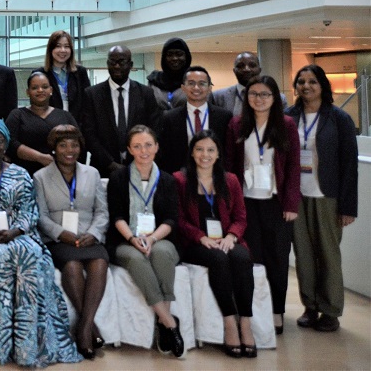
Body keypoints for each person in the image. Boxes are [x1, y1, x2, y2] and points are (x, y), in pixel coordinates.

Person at [0, 118, 81, 366]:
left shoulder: (20, 173)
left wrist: (15, 231)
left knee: (29, 256)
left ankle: (28, 346)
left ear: (6, 144)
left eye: (0, 140)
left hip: (20, 235)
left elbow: (30, 210)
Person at [224, 76, 300, 335]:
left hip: (276, 203)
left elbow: (293, 167)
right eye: (253, 94)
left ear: (274, 97)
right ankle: (253, 311)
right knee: (252, 259)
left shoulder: (286, 125)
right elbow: (229, 166)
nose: (259, 99)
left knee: (277, 259)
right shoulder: (237, 124)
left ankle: (277, 310)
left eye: (265, 94)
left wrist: (291, 203)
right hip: (246, 202)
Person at [286, 64, 358, 333]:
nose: (306, 86)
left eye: (312, 81)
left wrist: (348, 207)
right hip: (296, 195)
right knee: (303, 254)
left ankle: (330, 310)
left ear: (322, 85)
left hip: (327, 196)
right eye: (301, 81)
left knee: (328, 254)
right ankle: (310, 306)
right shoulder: (288, 116)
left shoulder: (339, 118)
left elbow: (349, 165)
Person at [174, 130, 255, 358]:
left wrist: (231, 236)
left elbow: (240, 217)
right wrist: (201, 237)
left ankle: (245, 322)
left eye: (211, 150)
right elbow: (178, 219)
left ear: (218, 154)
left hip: (226, 239)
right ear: (192, 153)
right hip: (195, 243)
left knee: (241, 257)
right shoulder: (180, 180)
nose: (205, 155)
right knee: (219, 259)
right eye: (199, 149)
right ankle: (229, 322)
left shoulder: (231, 180)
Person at [106, 125, 185, 358]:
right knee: (136, 258)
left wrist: (151, 238)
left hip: (160, 237)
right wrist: (133, 239)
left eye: (148, 145)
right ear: (129, 149)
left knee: (162, 253)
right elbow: (116, 216)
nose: (144, 151)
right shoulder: (118, 178)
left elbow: (171, 218)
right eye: (137, 146)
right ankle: (170, 322)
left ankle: (162, 322)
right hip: (124, 239)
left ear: (157, 147)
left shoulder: (168, 180)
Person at [35, 124, 109, 359]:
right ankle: (90, 329)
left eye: (74, 145)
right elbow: (40, 216)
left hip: (88, 237)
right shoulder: (40, 177)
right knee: (73, 266)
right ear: (54, 148)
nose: (70, 150)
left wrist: (94, 233)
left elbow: (102, 211)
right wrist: (60, 233)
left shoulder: (92, 173)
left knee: (99, 262)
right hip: (58, 240)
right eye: (63, 145)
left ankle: (84, 328)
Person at [81, 45, 161, 178]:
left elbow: (154, 130)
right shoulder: (92, 94)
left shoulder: (145, 93)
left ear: (130, 64)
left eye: (121, 62)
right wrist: (110, 163)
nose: (117, 66)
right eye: (112, 62)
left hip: (140, 166)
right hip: (103, 168)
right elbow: (89, 134)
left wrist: (138, 160)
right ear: (107, 64)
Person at [156, 66, 232, 173]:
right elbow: (165, 153)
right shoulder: (169, 118)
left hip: (214, 176)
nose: (196, 87)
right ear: (183, 88)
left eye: (202, 83)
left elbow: (228, 152)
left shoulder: (224, 117)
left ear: (209, 88)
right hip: (180, 176)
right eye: (191, 83)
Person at [5, 71, 78, 175]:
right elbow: (10, 143)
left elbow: (77, 141)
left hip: (60, 174)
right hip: (24, 176)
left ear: (51, 90)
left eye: (44, 87)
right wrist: (40, 158)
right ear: (28, 92)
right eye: (35, 88)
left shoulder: (65, 116)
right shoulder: (17, 115)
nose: (40, 90)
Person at [34, 30, 91, 123]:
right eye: (58, 46)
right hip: (49, 126)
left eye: (67, 46)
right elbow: (36, 106)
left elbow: (87, 104)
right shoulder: (39, 74)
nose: (63, 50)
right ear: (51, 49)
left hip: (76, 127)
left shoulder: (80, 72)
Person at [147, 37, 192, 110]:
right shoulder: (154, 80)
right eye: (169, 54)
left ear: (187, 57)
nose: (174, 58)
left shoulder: (195, 79)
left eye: (179, 54)